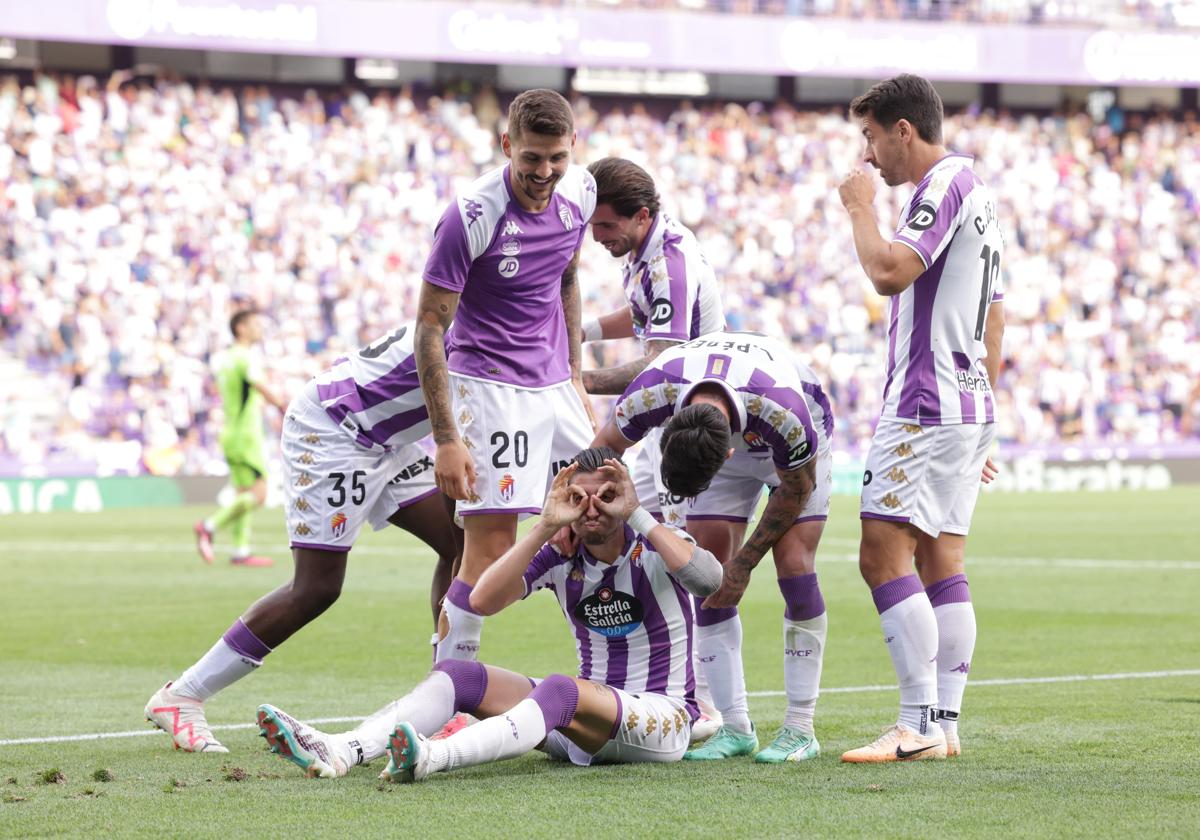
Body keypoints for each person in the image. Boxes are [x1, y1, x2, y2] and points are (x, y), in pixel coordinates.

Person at [254, 447, 723, 780]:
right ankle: (343, 750)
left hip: (662, 723)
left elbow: (709, 581)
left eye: (605, 495)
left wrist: (639, 514)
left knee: (560, 688)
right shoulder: (561, 552)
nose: (592, 508)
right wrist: (543, 526)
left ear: (625, 497)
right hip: (579, 725)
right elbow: (482, 601)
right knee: (459, 674)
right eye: (579, 498)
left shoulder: (656, 542)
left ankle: (434, 757)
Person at [146, 324, 462, 753]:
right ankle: (182, 696)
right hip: (336, 428)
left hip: (383, 437)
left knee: (457, 542)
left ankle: (444, 699)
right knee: (316, 588)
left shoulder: (488, 308)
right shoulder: (483, 322)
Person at [836, 73, 1005, 762]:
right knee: (942, 558)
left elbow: (888, 271)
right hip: (962, 403)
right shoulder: (980, 194)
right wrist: (981, 407)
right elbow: (996, 312)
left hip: (926, 403)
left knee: (881, 554)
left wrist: (858, 209)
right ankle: (945, 723)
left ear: (905, 130)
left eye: (873, 138)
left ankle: (917, 726)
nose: (870, 156)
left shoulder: (942, 187)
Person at [415, 89, 598, 668]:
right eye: (531, 160)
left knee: (609, 513)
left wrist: (575, 374)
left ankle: (620, 672)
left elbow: (567, 277)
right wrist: (447, 439)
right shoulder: (470, 216)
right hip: (490, 390)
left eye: (556, 159)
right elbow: (427, 329)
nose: (544, 173)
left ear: (573, 149)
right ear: (506, 147)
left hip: (554, 389)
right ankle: (449, 692)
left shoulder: (581, 194)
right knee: (487, 550)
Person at [592, 330, 834, 763]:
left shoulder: (785, 411)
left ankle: (801, 727)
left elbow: (795, 489)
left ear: (723, 457)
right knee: (706, 577)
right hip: (721, 425)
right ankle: (736, 726)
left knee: (795, 566)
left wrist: (744, 564)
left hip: (794, 447)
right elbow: (603, 448)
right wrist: (574, 507)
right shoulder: (651, 393)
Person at [581, 156, 726, 529]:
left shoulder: (668, 265)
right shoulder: (647, 246)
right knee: (630, 530)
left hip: (688, 420)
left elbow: (658, 363)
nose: (597, 236)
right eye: (593, 225)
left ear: (642, 215)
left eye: (607, 225)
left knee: (677, 546)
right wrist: (583, 332)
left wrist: (580, 381)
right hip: (665, 412)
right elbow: (643, 314)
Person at [193, 309, 287, 567]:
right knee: (259, 494)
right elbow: (260, 386)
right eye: (255, 324)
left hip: (231, 432)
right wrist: (284, 406)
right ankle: (209, 526)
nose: (260, 329)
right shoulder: (245, 358)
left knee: (243, 494)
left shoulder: (225, 360)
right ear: (241, 328)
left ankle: (240, 551)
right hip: (246, 435)